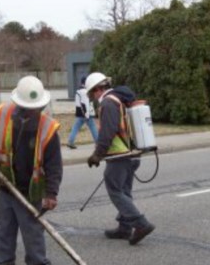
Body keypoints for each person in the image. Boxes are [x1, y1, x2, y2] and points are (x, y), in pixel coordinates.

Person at [0, 75, 63, 265]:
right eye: (27, 108)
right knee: (5, 235)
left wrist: (51, 193)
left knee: (33, 237)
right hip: (6, 187)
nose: (32, 112)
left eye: (36, 108)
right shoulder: (1, 114)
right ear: (19, 104)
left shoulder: (48, 129)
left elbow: (54, 165)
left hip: (31, 192)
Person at [85, 72, 155, 245]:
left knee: (116, 191)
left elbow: (107, 132)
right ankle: (125, 228)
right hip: (132, 154)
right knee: (124, 191)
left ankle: (141, 224)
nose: (93, 97)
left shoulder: (108, 103)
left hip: (120, 156)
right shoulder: (120, 100)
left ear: (98, 89)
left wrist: (97, 155)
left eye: (92, 93)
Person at [66, 75, 99, 149]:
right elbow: (85, 104)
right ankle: (98, 143)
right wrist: (87, 115)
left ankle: (70, 141)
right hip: (86, 113)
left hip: (80, 113)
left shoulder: (78, 91)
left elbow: (79, 103)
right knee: (93, 127)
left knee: (75, 127)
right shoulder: (85, 92)